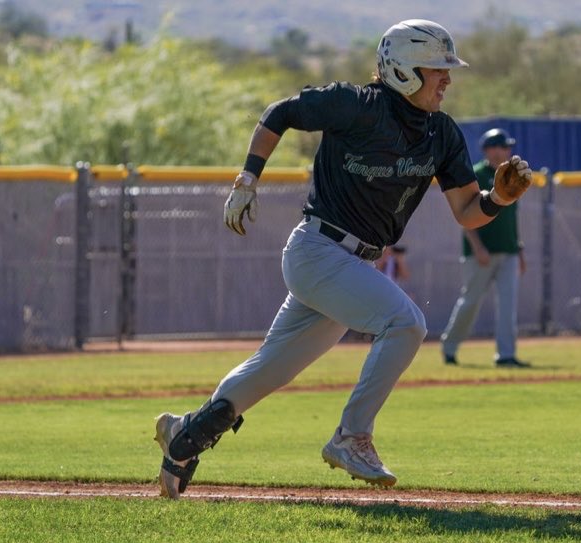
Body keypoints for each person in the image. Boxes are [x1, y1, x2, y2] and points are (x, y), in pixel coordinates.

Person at [153, 19, 532, 499]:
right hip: (318, 250)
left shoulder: (441, 133)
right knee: (406, 324)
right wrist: (247, 180)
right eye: (437, 69)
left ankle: (183, 435)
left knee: (269, 370)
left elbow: (466, 211)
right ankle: (351, 437)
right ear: (404, 71)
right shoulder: (355, 105)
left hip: (352, 265)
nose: (448, 79)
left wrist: (497, 200)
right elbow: (279, 113)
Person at [440, 128, 530, 368]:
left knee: (507, 307)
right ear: (489, 149)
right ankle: (449, 347)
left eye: (507, 147)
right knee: (470, 302)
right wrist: (478, 247)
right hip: (481, 254)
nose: (506, 151)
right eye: (501, 146)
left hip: (508, 251)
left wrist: (519, 250)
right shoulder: (476, 174)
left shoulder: (511, 175)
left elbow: (512, 218)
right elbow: (465, 216)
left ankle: (506, 355)